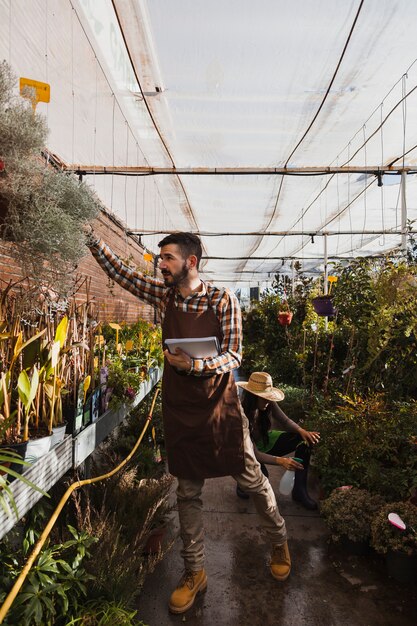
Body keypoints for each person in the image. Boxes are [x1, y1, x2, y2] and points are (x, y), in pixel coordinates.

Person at [86, 230, 292, 614]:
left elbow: (233, 355)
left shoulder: (221, 299)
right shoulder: (163, 295)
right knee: (187, 492)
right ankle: (194, 571)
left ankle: (278, 540)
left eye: (166, 258)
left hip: (219, 407)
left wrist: (197, 364)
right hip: (181, 408)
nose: (159, 264)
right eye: (159, 258)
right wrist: (90, 236)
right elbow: (119, 273)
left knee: (253, 481)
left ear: (190, 262)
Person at [236, 372, 320, 510]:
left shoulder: (268, 402)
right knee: (263, 478)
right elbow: (254, 453)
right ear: (253, 396)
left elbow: (285, 421)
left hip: (264, 440)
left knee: (303, 440)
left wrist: (301, 431)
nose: (268, 401)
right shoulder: (240, 415)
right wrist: (282, 461)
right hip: (245, 452)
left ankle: (299, 491)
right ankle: (242, 482)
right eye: (264, 398)